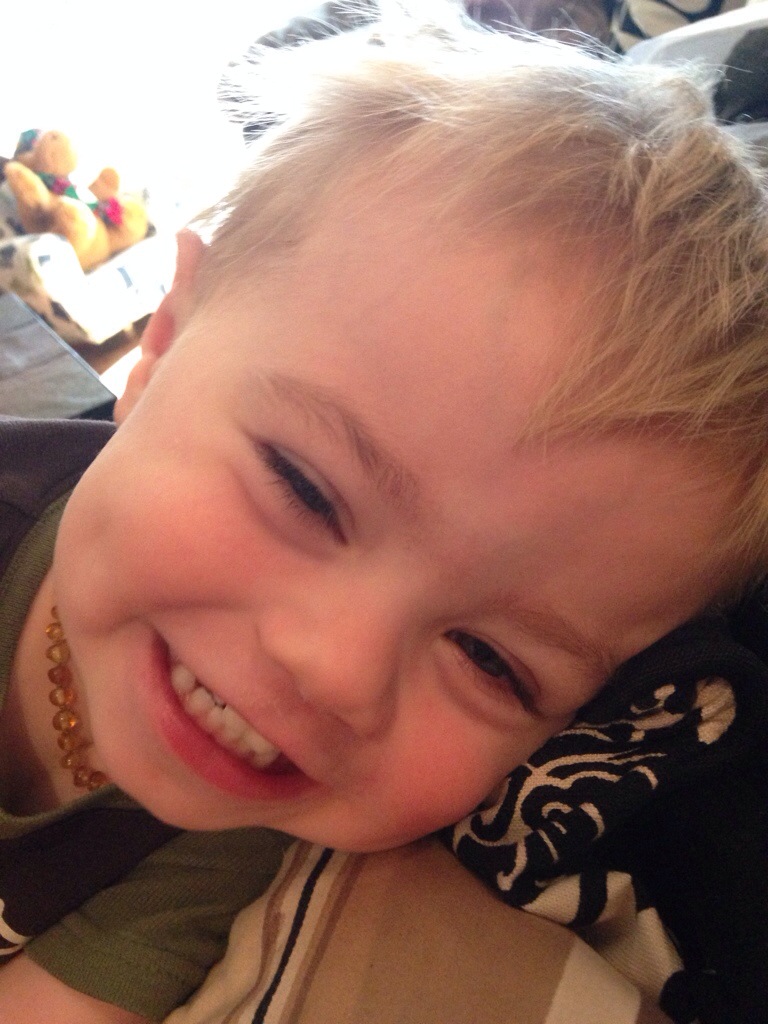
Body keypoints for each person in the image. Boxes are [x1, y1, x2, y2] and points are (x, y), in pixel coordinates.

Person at [2, 5, 768, 1022]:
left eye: (491, 660)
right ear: (165, 341)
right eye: (306, 489)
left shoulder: (255, 842)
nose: (339, 668)